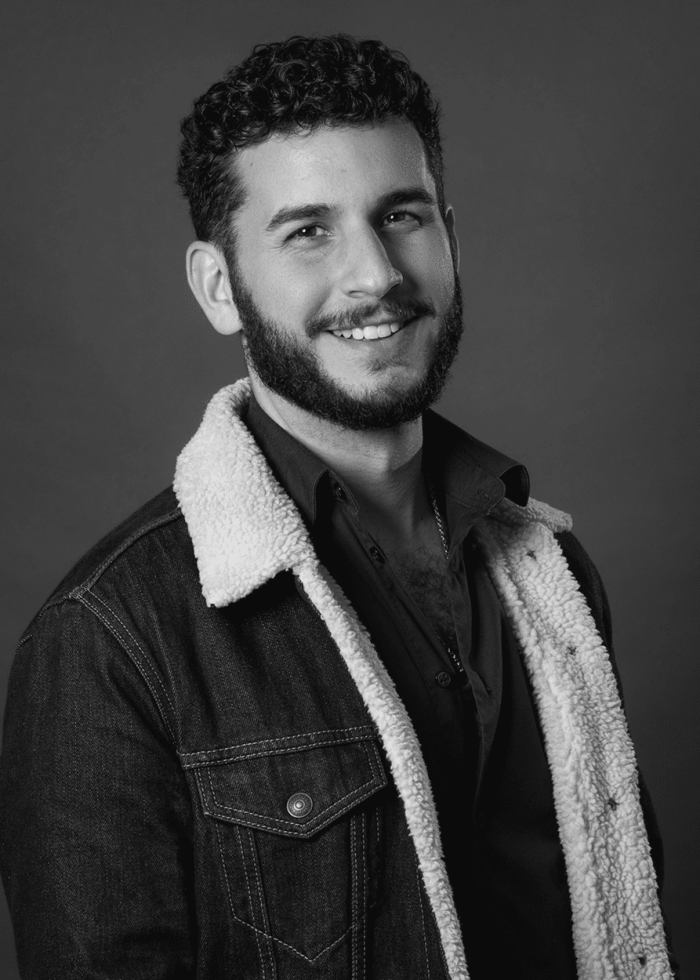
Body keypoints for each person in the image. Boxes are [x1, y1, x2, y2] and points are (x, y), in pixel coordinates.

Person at [0, 34, 678, 980]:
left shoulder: (549, 571)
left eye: (401, 215)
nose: (375, 275)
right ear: (218, 288)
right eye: (308, 230)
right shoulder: (109, 641)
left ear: (450, 234)